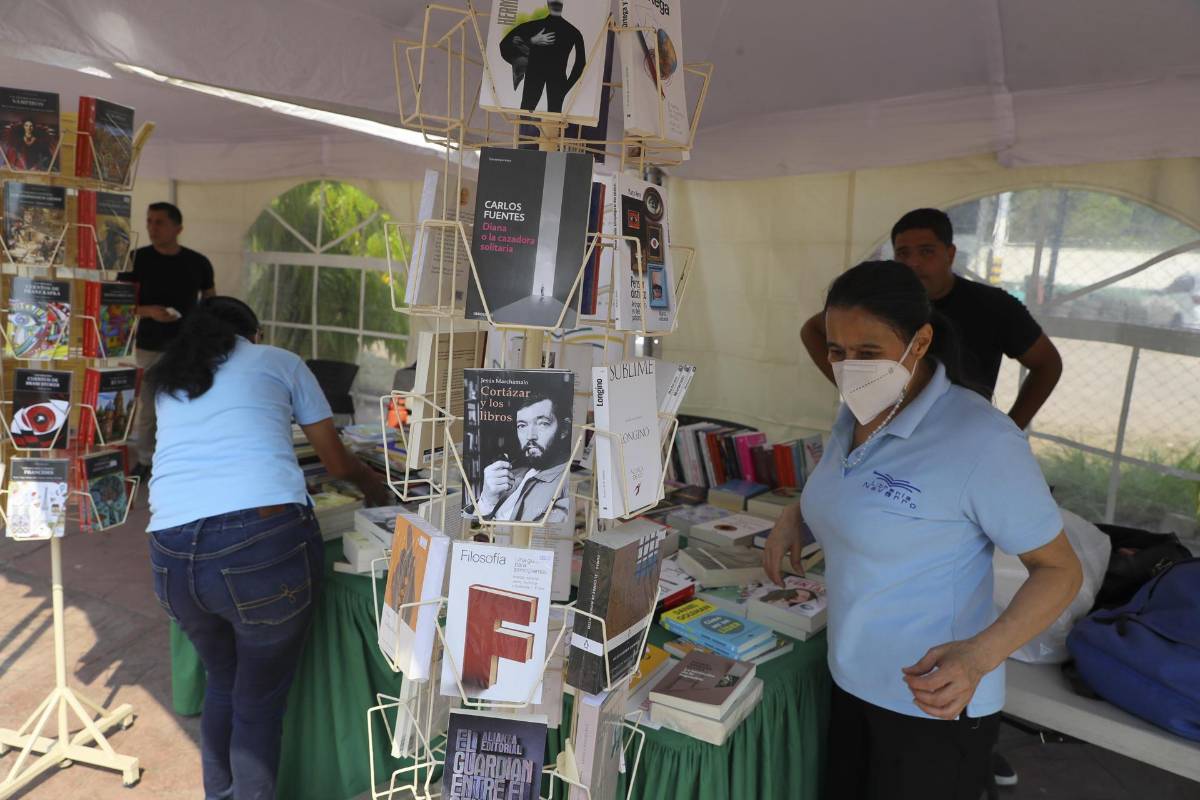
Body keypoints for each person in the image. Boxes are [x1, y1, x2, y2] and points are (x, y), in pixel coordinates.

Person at [765, 261, 1082, 800]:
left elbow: (1060, 570)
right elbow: (849, 484)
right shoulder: (857, 414)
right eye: (837, 352)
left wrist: (981, 655)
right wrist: (798, 514)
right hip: (850, 678)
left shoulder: (980, 439)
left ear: (920, 342)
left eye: (868, 353)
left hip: (933, 704)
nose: (848, 369)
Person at [145, 297, 391, 800]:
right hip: (257, 547)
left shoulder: (172, 381)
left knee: (222, 682)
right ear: (252, 334)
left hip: (170, 553)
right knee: (257, 703)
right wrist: (375, 486)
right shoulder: (278, 361)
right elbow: (336, 460)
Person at [801, 208, 1062, 430]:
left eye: (926, 251)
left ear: (950, 253)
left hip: (961, 430)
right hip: (888, 425)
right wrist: (851, 383)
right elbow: (812, 329)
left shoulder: (992, 305)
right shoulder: (882, 305)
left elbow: (1047, 364)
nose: (913, 262)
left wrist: (1010, 427)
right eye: (903, 253)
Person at [119, 202, 216, 479]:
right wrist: (148, 311)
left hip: (188, 347)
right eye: (149, 221)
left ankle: (182, 458)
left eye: (159, 222)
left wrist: (205, 333)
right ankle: (147, 461)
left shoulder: (198, 262)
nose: (152, 228)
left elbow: (212, 302)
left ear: (178, 228)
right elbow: (117, 306)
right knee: (149, 406)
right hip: (150, 345)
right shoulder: (136, 259)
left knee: (186, 403)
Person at [475, 392, 571, 522]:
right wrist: (487, 500)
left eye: (542, 423)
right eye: (522, 426)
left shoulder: (567, 486)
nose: (530, 436)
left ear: (564, 429)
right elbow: (473, 530)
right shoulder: (513, 474)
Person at [499, 0, 587, 114]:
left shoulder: (533, 26)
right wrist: (566, 87)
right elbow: (581, 64)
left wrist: (530, 41)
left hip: (538, 78)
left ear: (548, 3)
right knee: (551, 117)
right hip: (556, 81)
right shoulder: (573, 32)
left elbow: (505, 45)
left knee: (528, 114)